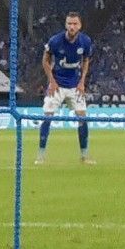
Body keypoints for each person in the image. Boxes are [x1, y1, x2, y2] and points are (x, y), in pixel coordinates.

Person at [37, 11, 94, 164]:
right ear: (66, 24)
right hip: (57, 85)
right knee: (47, 117)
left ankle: (84, 155)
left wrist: (82, 82)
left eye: (75, 24)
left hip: (75, 86)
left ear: (80, 25)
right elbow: (45, 60)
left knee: (83, 118)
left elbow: (86, 60)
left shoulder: (85, 41)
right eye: (69, 23)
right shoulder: (55, 41)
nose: (72, 26)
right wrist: (52, 81)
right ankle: (41, 155)